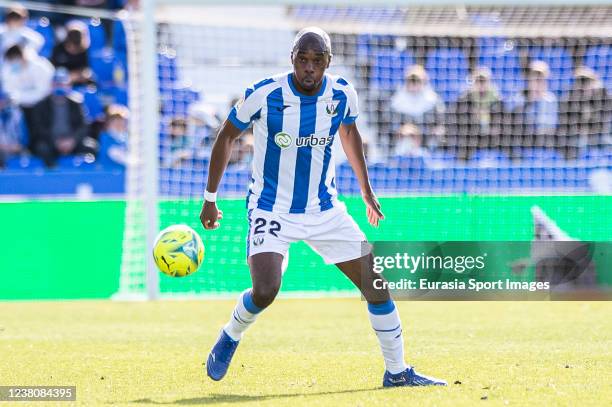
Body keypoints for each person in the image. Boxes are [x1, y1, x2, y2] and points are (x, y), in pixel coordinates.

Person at [199, 27, 446, 387]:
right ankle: (230, 335)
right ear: (292, 59)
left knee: (376, 284)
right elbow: (226, 135)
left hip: (325, 210)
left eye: (318, 61)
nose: (310, 68)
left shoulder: (342, 93)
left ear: (329, 62)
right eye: (303, 60)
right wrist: (210, 197)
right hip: (272, 208)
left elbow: (349, 133)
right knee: (266, 290)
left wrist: (366, 190)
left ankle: (397, 372)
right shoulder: (264, 93)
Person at [26, 68, 97, 167]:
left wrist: (72, 140)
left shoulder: (76, 103)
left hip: (72, 141)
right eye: (56, 84)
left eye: (63, 84)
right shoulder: (41, 106)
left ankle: (83, 177)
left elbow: (83, 126)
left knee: (91, 147)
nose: (60, 87)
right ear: (51, 86)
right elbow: (38, 129)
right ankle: (53, 177)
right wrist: (56, 141)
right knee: (42, 148)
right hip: (50, 141)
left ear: (69, 86)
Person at [2, 44, 54, 153]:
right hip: (20, 106)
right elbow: (9, 90)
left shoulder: (41, 67)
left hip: (42, 105)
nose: (13, 63)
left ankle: (38, 147)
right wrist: (18, 98)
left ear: (22, 56)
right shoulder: (9, 68)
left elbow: (42, 92)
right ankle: (20, 147)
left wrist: (20, 97)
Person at [446, 67, 504, 160]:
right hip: (470, 138)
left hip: (492, 138)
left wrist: (494, 127)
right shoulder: (463, 100)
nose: (481, 84)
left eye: (483, 81)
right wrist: (474, 118)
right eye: (478, 81)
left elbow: (503, 121)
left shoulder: (498, 100)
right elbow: (456, 122)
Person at [558, 66, 611, 159]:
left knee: (608, 143)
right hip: (576, 137)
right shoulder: (568, 100)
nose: (583, 85)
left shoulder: (602, 97)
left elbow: (604, 123)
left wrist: (601, 89)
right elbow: (566, 124)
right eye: (580, 82)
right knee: (576, 144)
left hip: (597, 135)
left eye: (587, 81)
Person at [389, 64, 445, 148]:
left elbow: (440, 124)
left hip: (426, 143)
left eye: (417, 81)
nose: (414, 84)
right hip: (402, 141)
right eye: (411, 81)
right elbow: (389, 125)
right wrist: (402, 130)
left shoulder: (433, 101)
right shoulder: (396, 101)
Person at [510, 61, 558, 148]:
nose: (538, 82)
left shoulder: (551, 100)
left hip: (544, 143)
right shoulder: (518, 98)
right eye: (535, 78)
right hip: (522, 143)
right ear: (528, 80)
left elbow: (550, 127)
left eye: (541, 79)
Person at [51, 20, 93, 86]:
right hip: (59, 84)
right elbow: (52, 68)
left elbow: (88, 72)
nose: (73, 48)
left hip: (80, 84)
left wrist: (73, 77)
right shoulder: (58, 49)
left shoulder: (87, 52)